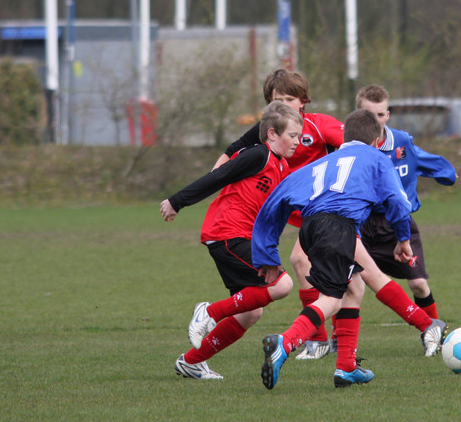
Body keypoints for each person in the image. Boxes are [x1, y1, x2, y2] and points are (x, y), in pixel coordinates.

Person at [252, 109, 445, 390]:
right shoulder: (377, 158)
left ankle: (346, 367)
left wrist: (266, 256)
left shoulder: (321, 162)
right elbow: (397, 201)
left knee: (354, 288)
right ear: (377, 142)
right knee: (331, 300)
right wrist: (403, 239)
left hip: (311, 228)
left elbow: (274, 202)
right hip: (339, 227)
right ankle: (286, 342)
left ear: (343, 139)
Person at [159, 101, 303, 380]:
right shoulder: (258, 155)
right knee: (282, 284)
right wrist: (177, 201)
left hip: (242, 237)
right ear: (272, 134)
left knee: (251, 313)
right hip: (227, 232)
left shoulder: (281, 166)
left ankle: (191, 362)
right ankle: (208, 312)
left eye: (299, 136)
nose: (297, 142)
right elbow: (218, 176)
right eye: (293, 135)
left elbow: (287, 208)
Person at [210, 68, 346, 359]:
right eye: (277, 100)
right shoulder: (269, 129)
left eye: (289, 99)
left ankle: (323, 340)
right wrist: (215, 176)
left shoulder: (320, 125)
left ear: (303, 101)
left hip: (322, 210)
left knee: (304, 262)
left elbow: (356, 145)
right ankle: (332, 340)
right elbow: (233, 149)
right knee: (266, 294)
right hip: (285, 210)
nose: (283, 105)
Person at [356, 84, 456, 321]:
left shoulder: (401, 142)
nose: (376, 121)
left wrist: (446, 172)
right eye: (369, 115)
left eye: (380, 114)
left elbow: (422, 159)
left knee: (418, 283)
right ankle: (337, 338)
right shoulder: (348, 146)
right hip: (360, 225)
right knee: (348, 285)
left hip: (397, 224)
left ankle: (433, 331)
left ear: (387, 115)